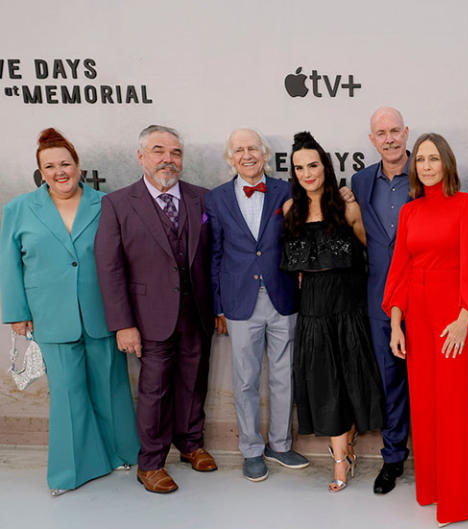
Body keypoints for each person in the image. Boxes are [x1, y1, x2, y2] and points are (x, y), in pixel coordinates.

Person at [0, 128, 139, 495]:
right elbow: (9, 263)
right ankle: (69, 472)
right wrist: (16, 311)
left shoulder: (107, 204)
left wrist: (127, 314)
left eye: (65, 163)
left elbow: (124, 261)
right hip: (49, 315)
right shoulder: (18, 209)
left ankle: (122, 453)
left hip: (103, 312)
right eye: (50, 166)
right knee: (66, 393)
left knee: (110, 386)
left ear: (78, 166)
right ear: (41, 172)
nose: (59, 171)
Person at [95, 124, 216, 494]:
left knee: (194, 381)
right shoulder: (117, 203)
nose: (168, 159)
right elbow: (110, 267)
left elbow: (213, 258)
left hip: (196, 310)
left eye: (175, 153)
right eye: (159, 151)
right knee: (154, 389)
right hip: (148, 317)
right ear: (141, 157)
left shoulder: (202, 198)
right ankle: (150, 462)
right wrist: (123, 324)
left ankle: (191, 443)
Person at [383, 132, 468, 525]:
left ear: (447, 163)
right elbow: (400, 268)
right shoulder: (410, 212)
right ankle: (430, 489)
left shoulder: (467, 205)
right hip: (415, 316)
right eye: (422, 160)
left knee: (454, 407)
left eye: (434, 159)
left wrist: (467, 318)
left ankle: (458, 501)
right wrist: (396, 323)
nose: (427, 166)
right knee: (425, 405)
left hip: (453, 319)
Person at [281, 131, 384, 492]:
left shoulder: (348, 207)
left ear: (325, 165)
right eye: (299, 168)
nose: (307, 173)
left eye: (313, 165)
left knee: (352, 385)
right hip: (313, 314)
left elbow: (376, 256)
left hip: (349, 310)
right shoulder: (290, 210)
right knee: (326, 387)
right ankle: (340, 459)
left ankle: (349, 444)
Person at [206, 128, 308, 482]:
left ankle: (280, 444)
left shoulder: (286, 190)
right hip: (239, 301)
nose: (247, 155)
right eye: (239, 150)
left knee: (284, 376)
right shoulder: (216, 199)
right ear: (229, 157)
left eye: (253, 148)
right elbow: (215, 254)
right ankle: (251, 449)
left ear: (265, 154)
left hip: (283, 297)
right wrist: (218, 305)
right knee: (245, 379)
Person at [349, 106, 413, 495]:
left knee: (423, 382)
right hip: (377, 299)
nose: (389, 138)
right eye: (381, 133)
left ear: (406, 132)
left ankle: (433, 457)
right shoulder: (359, 182)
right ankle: (393, 460)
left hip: (422, 297)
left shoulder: (425, 174)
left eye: (394, 131)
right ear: (372, 140)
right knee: (389, 381)